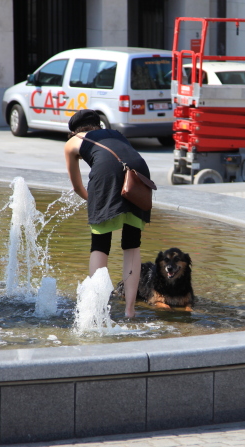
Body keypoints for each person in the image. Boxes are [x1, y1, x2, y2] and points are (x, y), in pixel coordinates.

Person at [64, 109, 151, 318]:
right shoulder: (116, 134)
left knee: (100, 244)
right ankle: (130, 310)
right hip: (138, 177)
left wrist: (97, 202)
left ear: (74, 130)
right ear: (98, 125)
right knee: (132, 244)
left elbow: (77, 187)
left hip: (106, 174)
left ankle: (97, 308)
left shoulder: (73, 141)